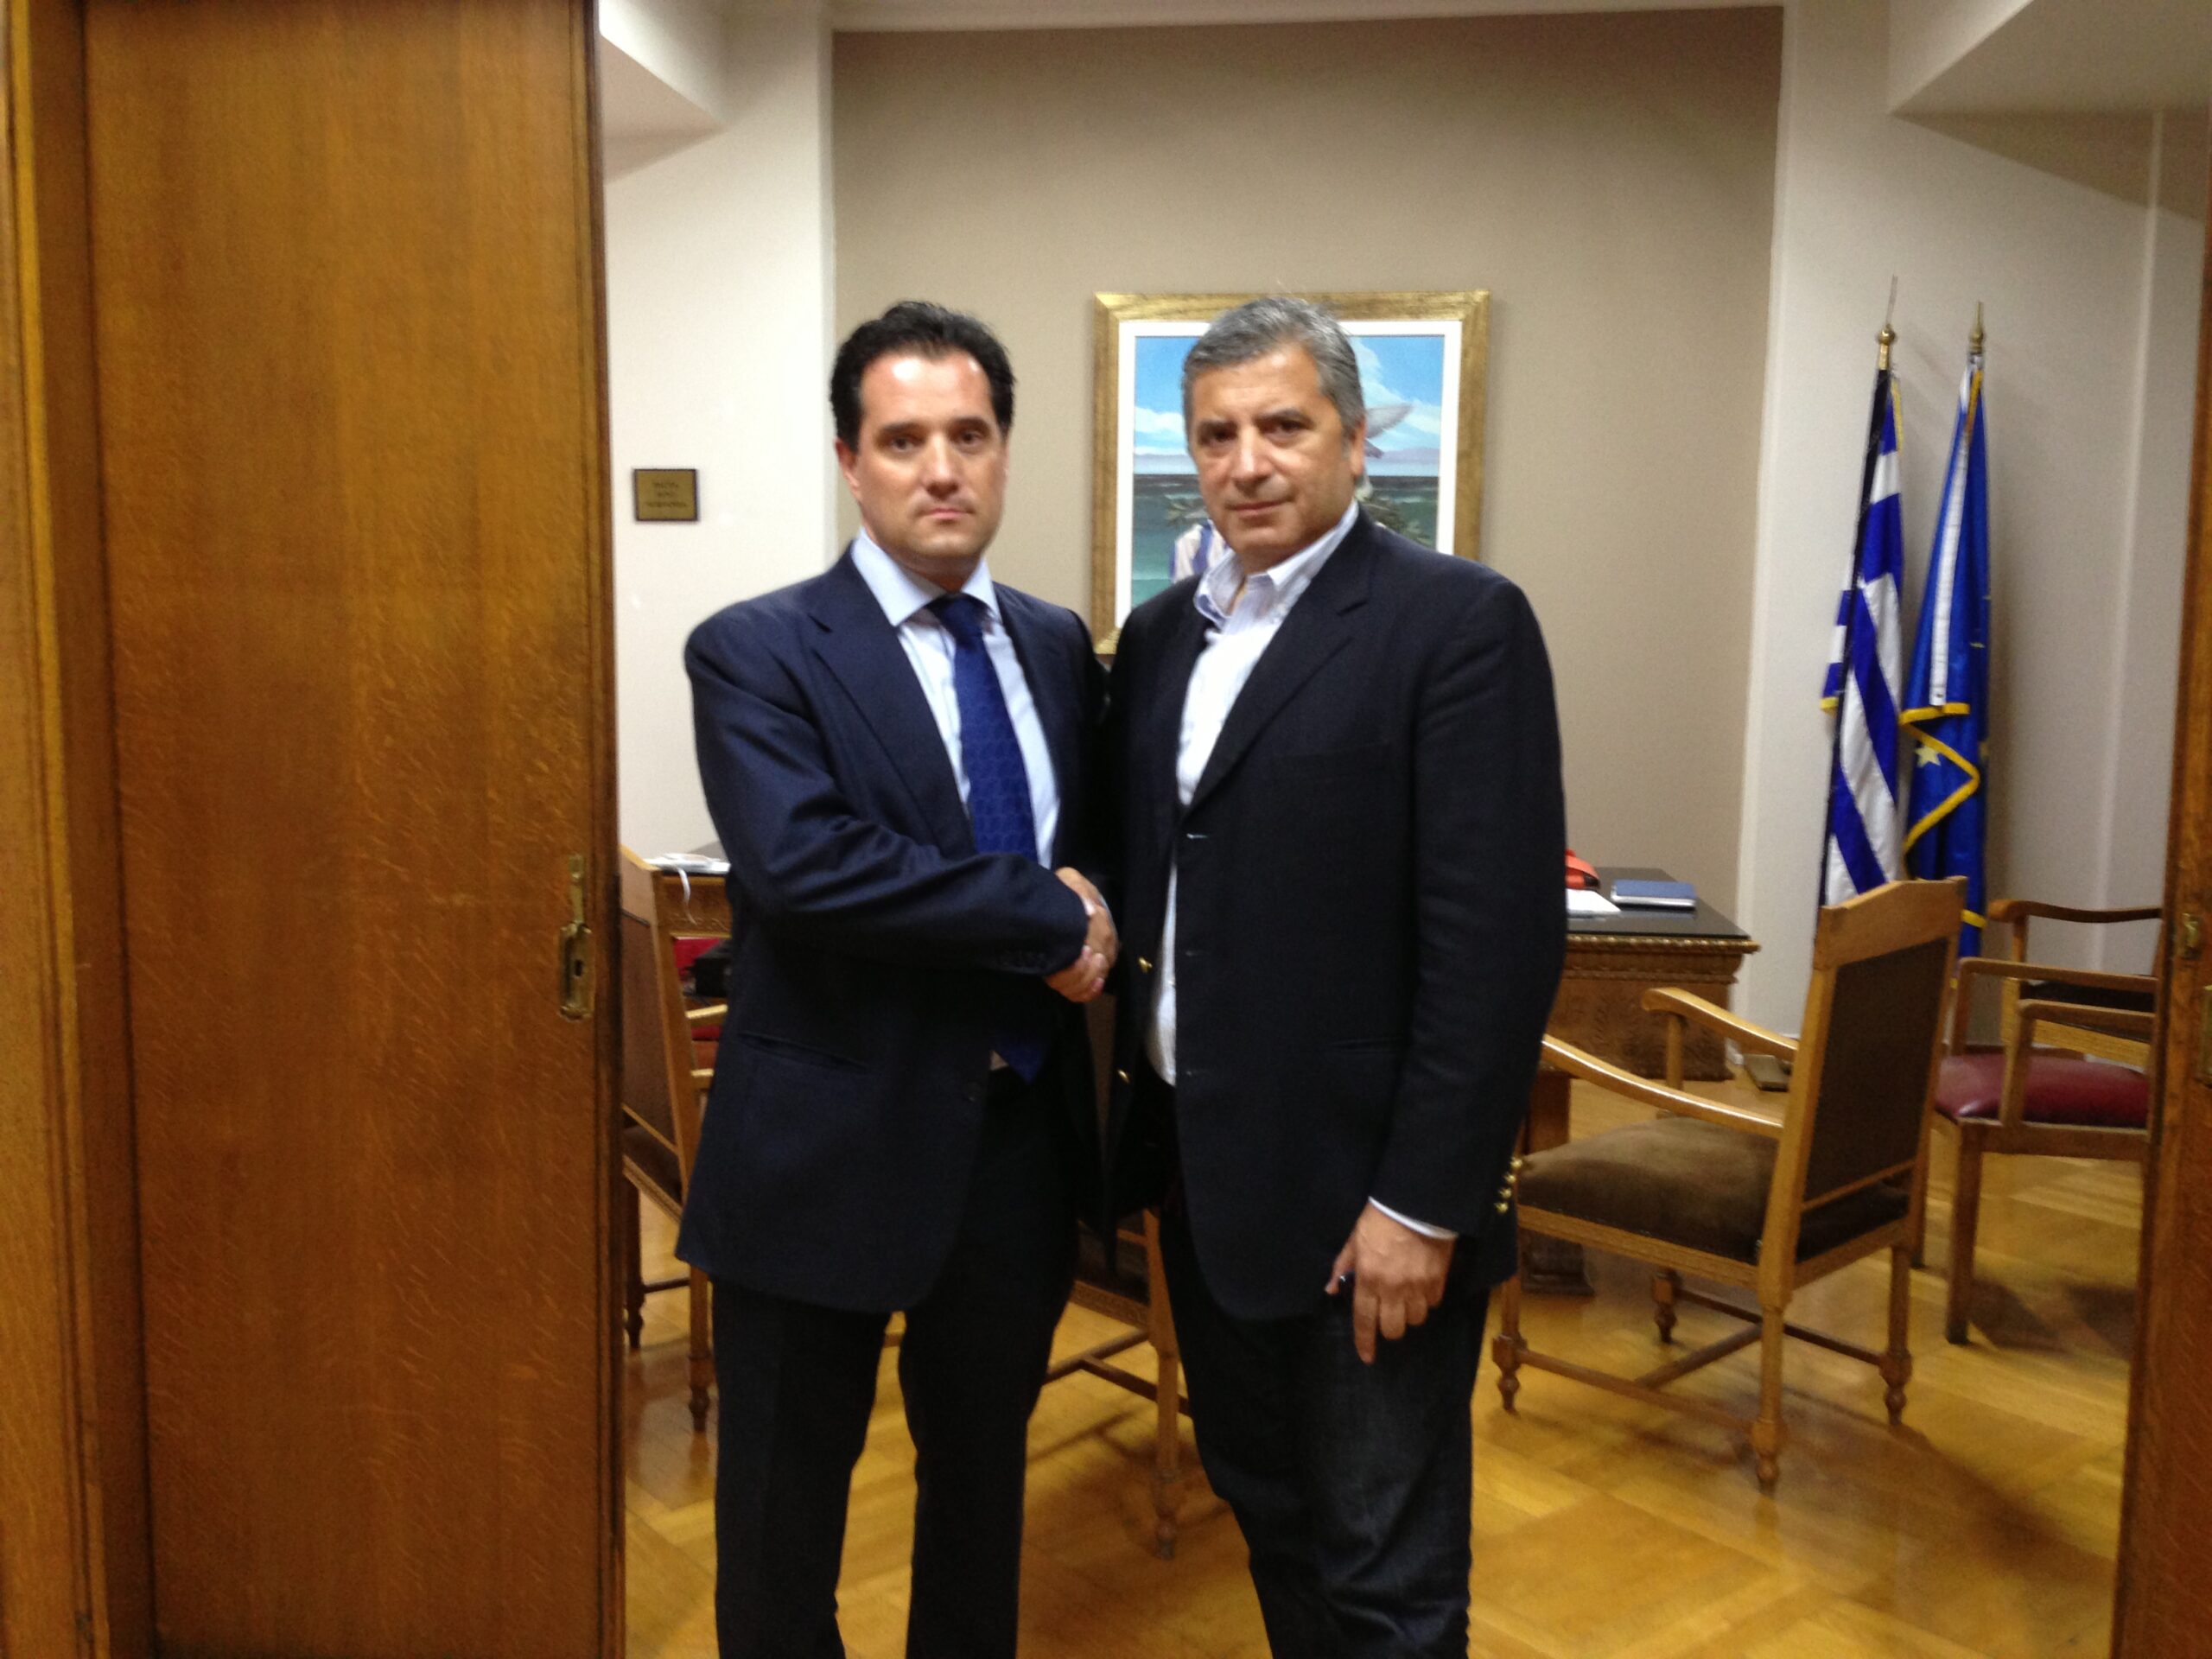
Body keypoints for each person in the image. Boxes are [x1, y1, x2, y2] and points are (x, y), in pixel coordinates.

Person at [1103, 296, 1566, 1657]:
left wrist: (1423, 1204)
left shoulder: (1457, 623)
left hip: (1371, 1211)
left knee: (1385, 1576)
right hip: (1209, 1191)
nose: (1247, 462)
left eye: (1284, 427)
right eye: (1217, 435)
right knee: (1272, 1517)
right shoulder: (1162, 637)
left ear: (1357, 443)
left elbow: (1494, 949)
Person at [681, 300, 1116, 1659]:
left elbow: (1093, 840)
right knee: (780, 1519)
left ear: (1003, 454)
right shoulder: (756, 649)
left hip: (1016, 1142)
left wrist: (1096, 902)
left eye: (969, 436)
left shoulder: (1055, 643)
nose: (941, 469)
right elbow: (806, 867)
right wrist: (1044, 914)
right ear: (850, 461)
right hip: (823, 1142)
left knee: (983, 1493)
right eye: (904, 440)